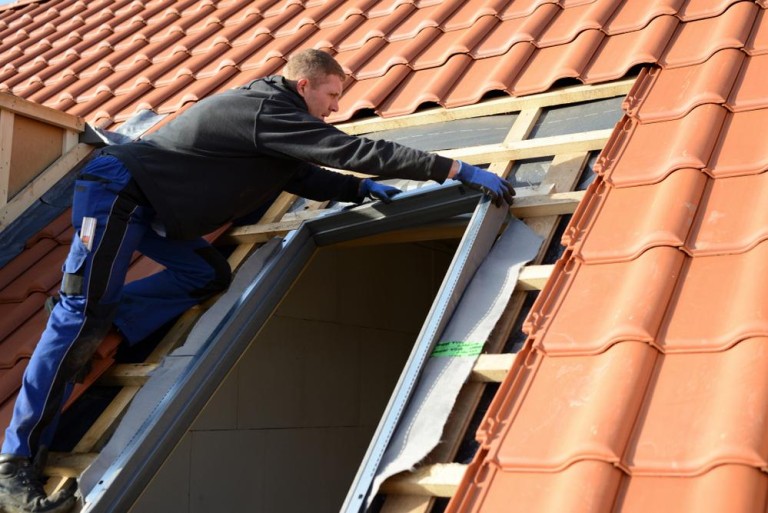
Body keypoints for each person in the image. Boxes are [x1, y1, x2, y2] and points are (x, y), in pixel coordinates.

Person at [0, 48, 514, 512]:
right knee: (81, 315)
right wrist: (455, 170)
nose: (336, 107)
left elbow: (302, 176)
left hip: (153, 208)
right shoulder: (268, 109)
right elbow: (346, 150)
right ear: (304, 85)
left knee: (206, 273)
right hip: (118, 194)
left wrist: (362, 192)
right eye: (332, 95)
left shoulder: (272, 124)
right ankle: (12, 467)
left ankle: (105, 307)